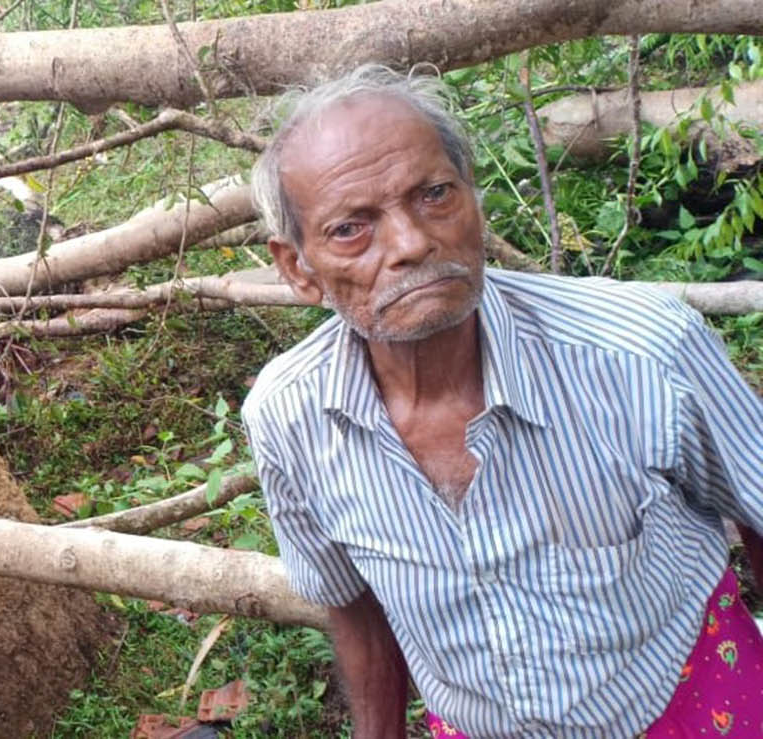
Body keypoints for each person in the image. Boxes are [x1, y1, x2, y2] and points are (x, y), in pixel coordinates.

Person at [241, 64, 763, 738]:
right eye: (351, 229)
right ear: (296, 268)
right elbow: (356, 607)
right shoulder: (287, 418)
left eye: (434, 194)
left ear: (473, 199)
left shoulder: (645, 352)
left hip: (687, 700)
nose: (411, 243)